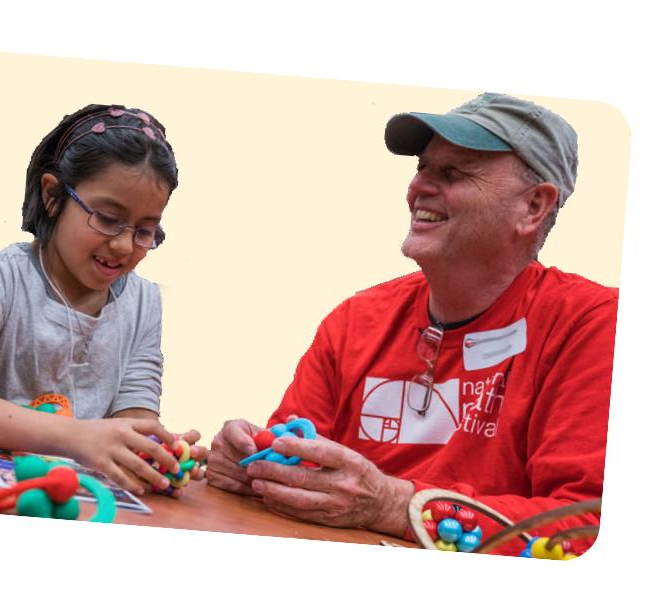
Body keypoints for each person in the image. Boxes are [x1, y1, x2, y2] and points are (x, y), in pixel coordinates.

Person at [206, 93, 615, 556]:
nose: (418, 186)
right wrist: (251, 465)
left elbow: (581, 528)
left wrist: (399, 507)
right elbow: (292, 466)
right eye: (422, 167)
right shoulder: (356, 319)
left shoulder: (592, 325)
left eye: (452, 172)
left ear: (533, 208)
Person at [0, 104, 204, 498]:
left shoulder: (144, 302)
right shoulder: (0, 278)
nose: (122, 245)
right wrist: (77, 437)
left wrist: (154, 454)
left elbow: (134, 416)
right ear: (52, 196)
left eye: (145, 230)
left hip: (76, 502)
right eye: (107, 218)